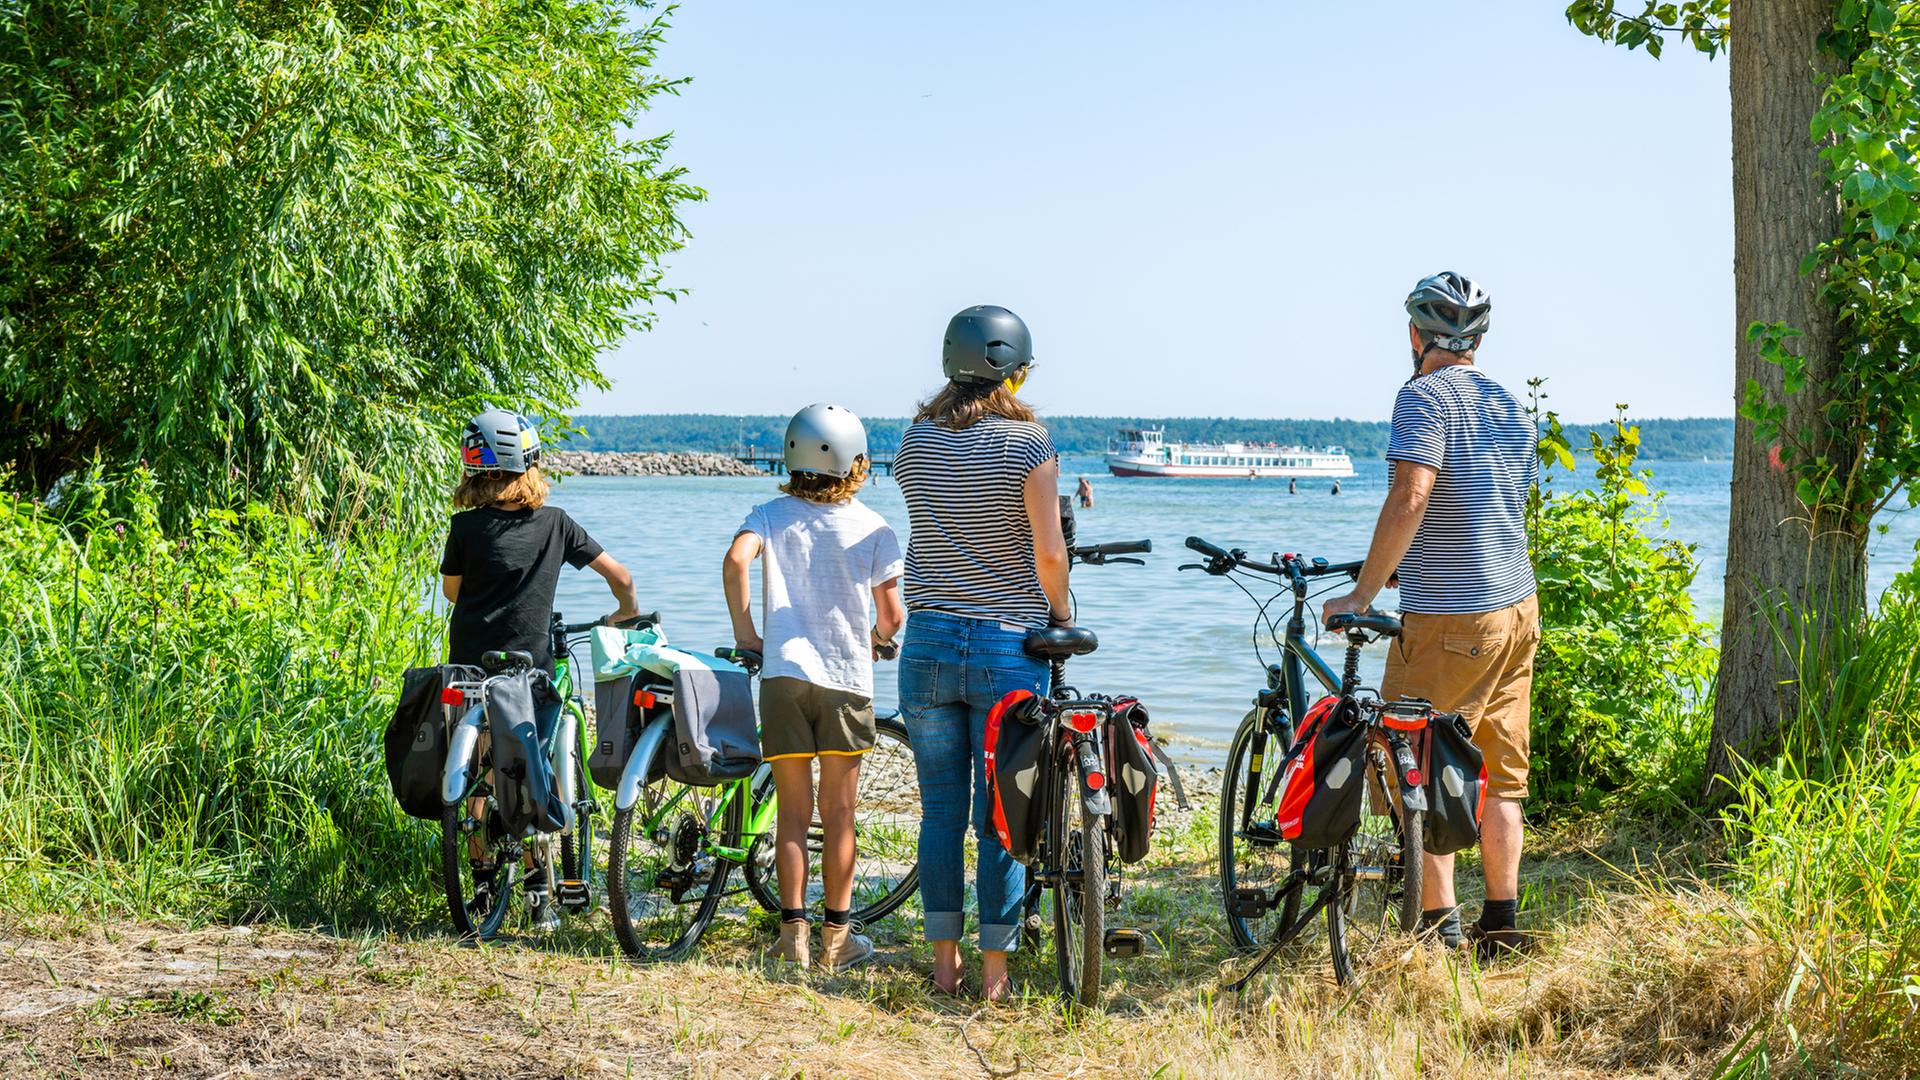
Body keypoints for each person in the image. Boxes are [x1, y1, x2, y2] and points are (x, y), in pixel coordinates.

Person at [1320, 272, 1540, 962]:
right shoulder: (1509, 404)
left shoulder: (1420, 397)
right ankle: (1500, 923)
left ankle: (1435, 927)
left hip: (1451, 616)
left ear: (1416, 336)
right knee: (1501, 776)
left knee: (1415, 760)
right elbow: (1485, 506)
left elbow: (1413, 496)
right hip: (1517, 607)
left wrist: (1363, 592)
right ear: (1478, 340)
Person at [894, 305, 1069, 1001]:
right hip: (1006, 646)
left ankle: (944, 966)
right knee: (1001, 815)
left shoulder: (913, 441)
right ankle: (994, 976)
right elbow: (1049, 552)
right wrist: (1058, 613)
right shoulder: (1031, 447)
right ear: (1014, 371)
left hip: (929, 639)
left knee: (940, 812)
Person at [440, 407, 641, 931]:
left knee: (481, 776)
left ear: (474, 468)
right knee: (532, 770)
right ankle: (537, 888)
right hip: (531, 674)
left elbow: (451, 592)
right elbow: (621, 577)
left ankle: (483, 881)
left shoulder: (463, 527)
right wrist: (622, 616)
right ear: (529, 465)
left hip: (470, 670)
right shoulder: (555, 524)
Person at [722, 404, 905, 971]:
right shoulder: (875, 527)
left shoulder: (770, 514)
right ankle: (837, 941)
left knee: (793, 816)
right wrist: (873, 638)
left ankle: (792, 938)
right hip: (845, 682)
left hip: (782, 677)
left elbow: (735, 560)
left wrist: (747, 632)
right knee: (840, 815)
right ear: (856, 462)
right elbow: (893, 617)